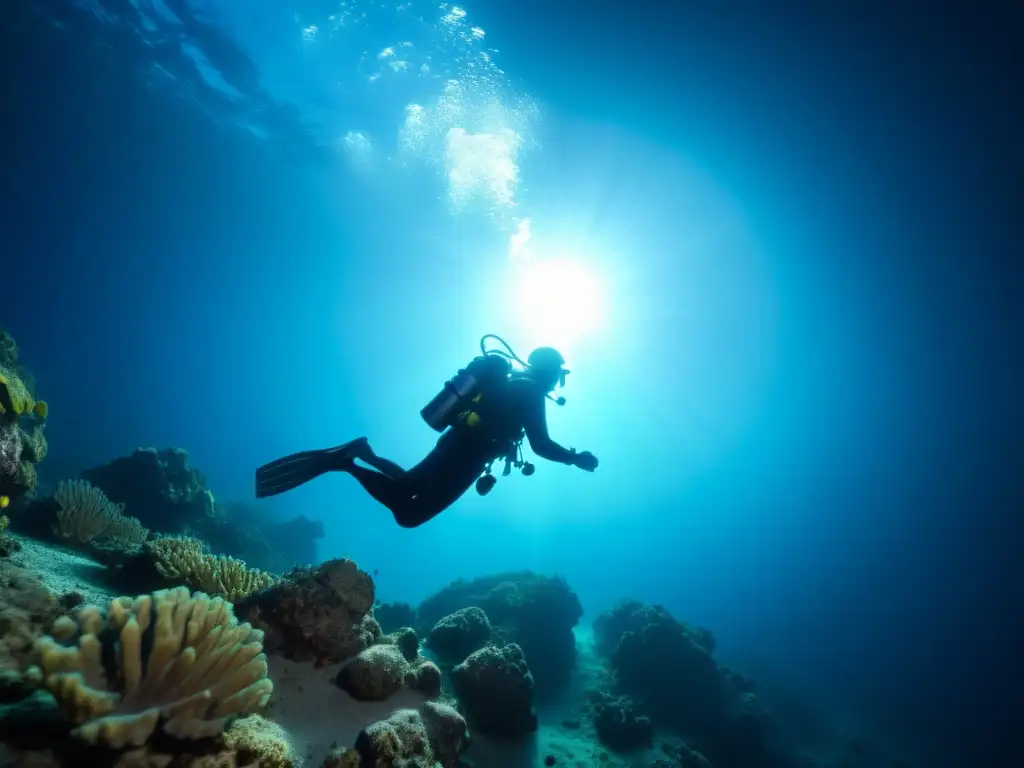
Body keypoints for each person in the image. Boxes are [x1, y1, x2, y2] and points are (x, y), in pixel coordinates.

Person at [255, 344, 599, 528]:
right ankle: (347, 463)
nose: (558, 383)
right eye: (559, 375)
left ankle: (362, 454)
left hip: (454, 442)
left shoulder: (510, 384)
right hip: (469, 456)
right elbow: (540, 446)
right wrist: (575, 458)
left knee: (408, 485)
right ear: (552, 372)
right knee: (410, 515)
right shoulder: (530, 393)